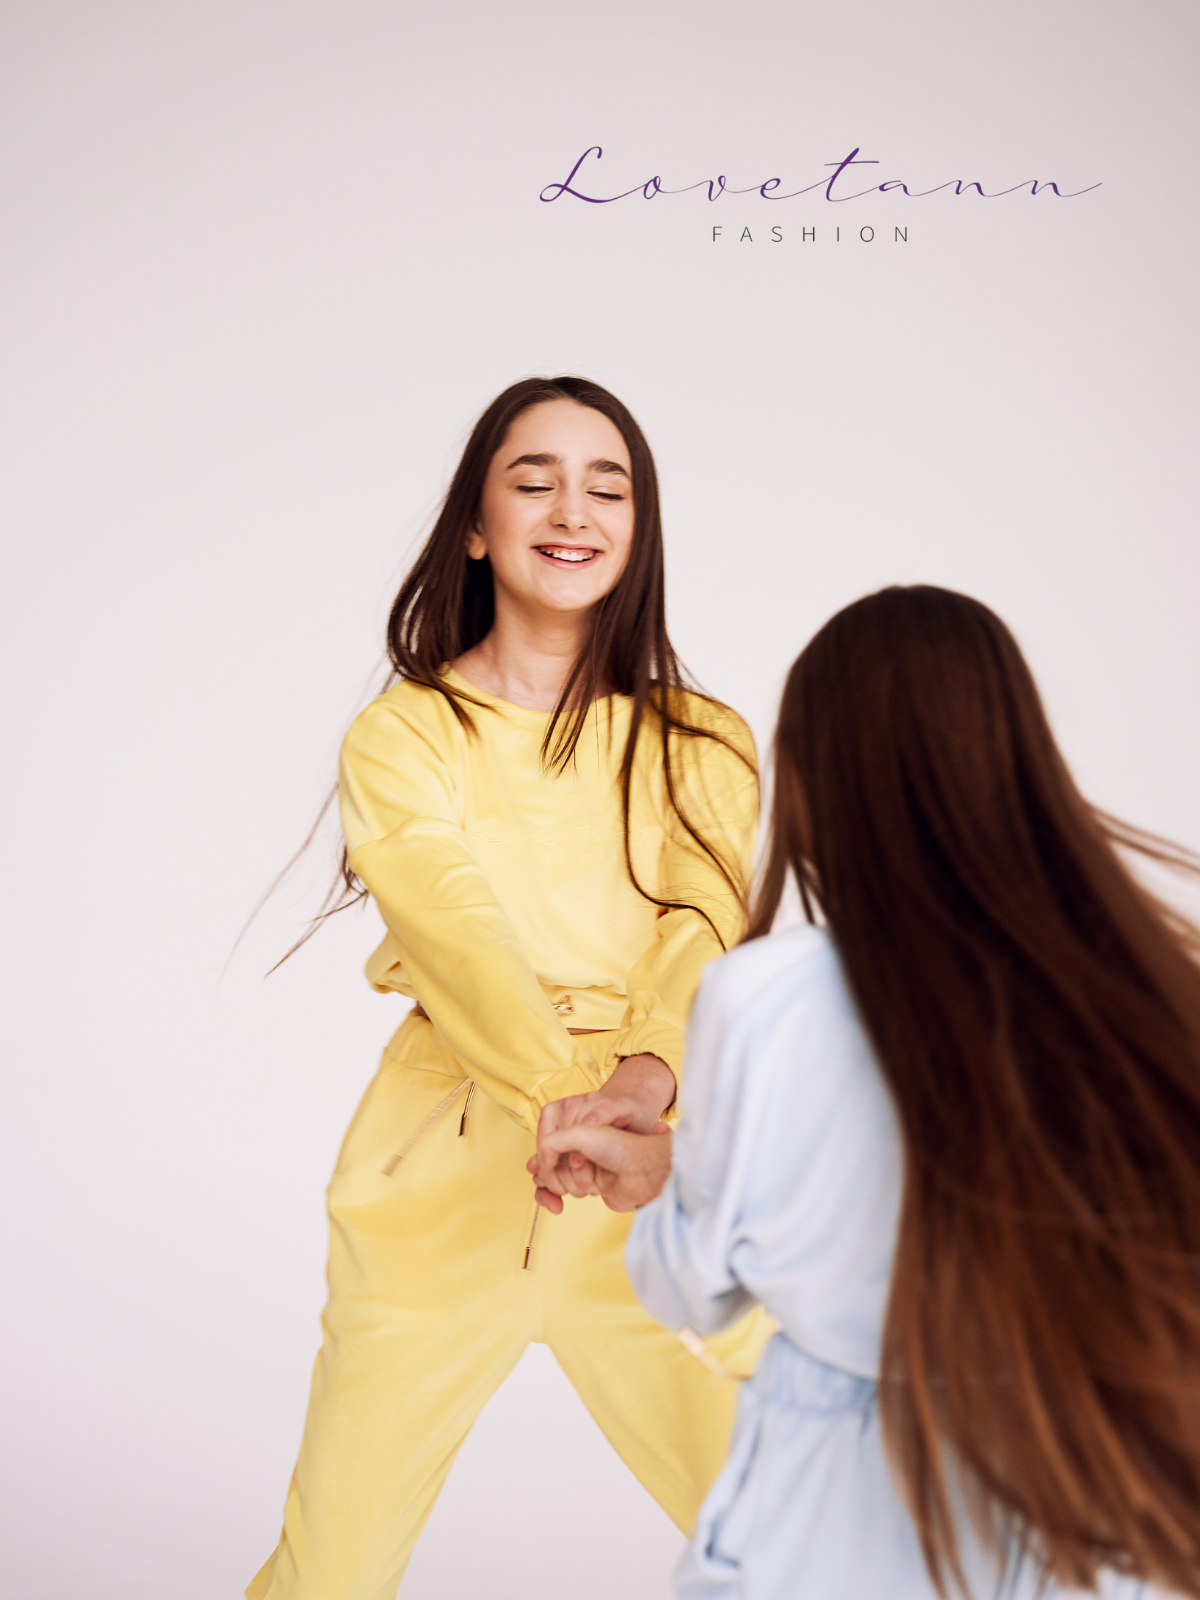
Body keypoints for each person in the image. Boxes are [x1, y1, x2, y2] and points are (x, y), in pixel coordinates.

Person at [533, 585, 1200, 1599]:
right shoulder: (1140, 986)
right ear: (1017, 754)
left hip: (837, 1506)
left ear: (813, 780)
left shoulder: (768, 994)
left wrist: (677, 1186)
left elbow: (694, 1288)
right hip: (1084, 1493)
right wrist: (679, 1162)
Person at [247, 376, 770, 1600]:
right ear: (477, 525)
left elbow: (704, 929)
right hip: (448, 1171)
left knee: (799, 1535)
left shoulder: (704, 740)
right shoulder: (405, 735)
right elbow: (457, 933)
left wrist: (638, 1094)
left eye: (607, 487)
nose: (572, 511)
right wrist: (567, 1099)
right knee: (335, 1564)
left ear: (639, 527)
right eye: (534, 481)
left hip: (660, 1167)